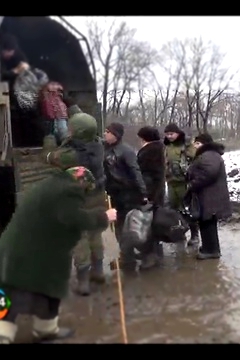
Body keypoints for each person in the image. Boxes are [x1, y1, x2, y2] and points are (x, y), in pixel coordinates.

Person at [0, 167, 117, 344]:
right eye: (86, 190)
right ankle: (4, 337)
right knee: (27, 289)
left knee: (24, 289)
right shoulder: (69, 190)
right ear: (82, 182)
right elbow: (71, 217)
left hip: (21, 248)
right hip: (34, 253)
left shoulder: (50, 184)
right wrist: (104, 217)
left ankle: (40, 330)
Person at [45, 104, 107, 296]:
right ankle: (98, 272)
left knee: (80, 238)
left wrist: (49, 139)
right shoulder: (98, 146)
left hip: (78, 201)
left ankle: (83, 281)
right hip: (97, 197)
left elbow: (48, 157)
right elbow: (84, 130)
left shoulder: (69, 155)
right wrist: (74, 109)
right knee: (95, 235)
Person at [103, 122, 147, 269]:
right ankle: (126, 256)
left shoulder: (126, 151)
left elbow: (135, 172)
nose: (105, 134)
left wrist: (142, 193)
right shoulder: (105, 150)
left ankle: (137, 255)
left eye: (108, 132)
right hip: (113, 194)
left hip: (128, 194)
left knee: (129, 227)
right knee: (118, 227)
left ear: (116, 135)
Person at [185, 133, 231, 260]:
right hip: (208, 194)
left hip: (210, 195)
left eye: (198, 143)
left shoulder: (209, 155)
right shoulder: (208, 154)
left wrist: (194, 183)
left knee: (208, 222)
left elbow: (209, 173)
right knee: (206, 222)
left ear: (205, 144)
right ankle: (209, 248)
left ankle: (211, 250)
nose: (195, 146)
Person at [163, 123, 199, 247]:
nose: (169, 136)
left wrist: (189, 145)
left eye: (171, 134)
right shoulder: (167, 146)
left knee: (187, 209)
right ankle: (181, 232)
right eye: (167, 134)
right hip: (171, 181)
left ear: (177, 133)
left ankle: (195, 234)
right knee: (174, 209)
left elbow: (195, 157)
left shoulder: (185, 145)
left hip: (184, 182)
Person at [136, 126, 165, 270]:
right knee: (153, 222)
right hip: (157, 192)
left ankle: (151, 257)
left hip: (150, 193)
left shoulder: (149, 152)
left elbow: (146, 176)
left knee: (148, 224)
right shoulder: (158, 149)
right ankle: (156, 254)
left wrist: (145, 195)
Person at [40, 81, 69, 146]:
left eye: (59, 91)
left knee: (62, 132)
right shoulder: (47, 100)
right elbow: (47, 110)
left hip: (59, 118)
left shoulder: (60, 101)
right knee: (52, 135)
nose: (58, 93)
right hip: (51, 119)